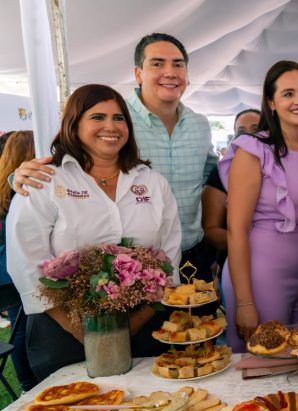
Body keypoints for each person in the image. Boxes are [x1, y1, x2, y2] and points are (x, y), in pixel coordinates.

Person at [6, 84, 181, 380]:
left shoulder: (152, 182)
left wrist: (135, 322)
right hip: (63, 329)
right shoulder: (46, 180)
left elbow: (170, 251)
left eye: (119, 118)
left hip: (145, 324)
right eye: (97, 117)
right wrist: (81, 329)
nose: (111, 127)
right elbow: (24, 260)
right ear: (73, 124)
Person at [12, 33, 216, 283]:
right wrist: (18, 176)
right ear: (138, 73)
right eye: (157, 63)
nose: (170, 72)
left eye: (178, 64)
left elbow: (212, 177)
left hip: (193, 253)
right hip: (129, 266)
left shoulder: (200, 125)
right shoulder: (114, 119)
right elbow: (65, 157)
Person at [220, 61, 298, 351]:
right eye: (288, 93)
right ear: (271, 102)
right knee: (264, 364)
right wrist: (245, 302)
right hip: (261, 274)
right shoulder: (254, 150)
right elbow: (236, 228)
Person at [201, 109, 261, 281]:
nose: (250, 136)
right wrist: (256, 244)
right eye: (241, 132)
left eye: (256, 129)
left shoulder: (281, 170)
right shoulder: (222, 173)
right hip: (237, 267)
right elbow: (209, 230)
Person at [0, 130, 37, 390]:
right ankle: (28, 384)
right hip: (15, 271)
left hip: (5, 277)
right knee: (24, 330)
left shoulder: (5, 186)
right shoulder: (23, 189)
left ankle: (26, 384)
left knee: (19, 328)